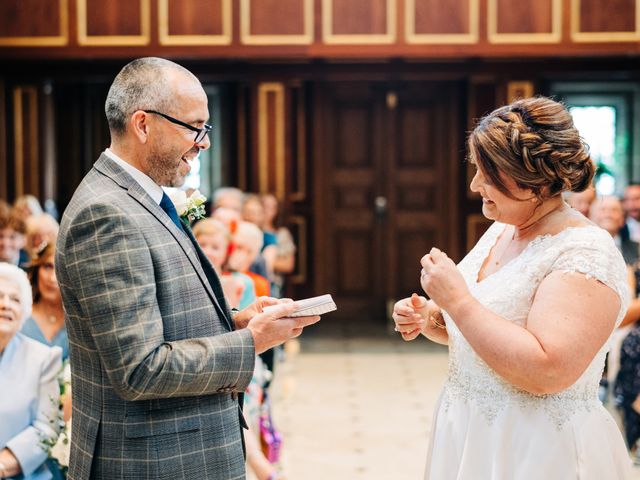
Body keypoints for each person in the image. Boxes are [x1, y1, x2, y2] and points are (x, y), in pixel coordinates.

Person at [55, 57, 319, 480]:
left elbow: (164, 323)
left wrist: (236, 323)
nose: (203, 142)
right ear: (143, 124)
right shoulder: (106, 214)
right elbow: (140, 369)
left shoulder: (139, 196)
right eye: (195, 126)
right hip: (153, 462)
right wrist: (250, 343)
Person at [393, 97, 632, 479]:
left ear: (532, 178)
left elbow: (548, 371)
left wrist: (457, 300)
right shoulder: (502, 230)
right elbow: (485, 331)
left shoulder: (585, 252)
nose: (475, 185)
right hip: (471, 433)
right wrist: (430, 319)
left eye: (488, 173)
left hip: (536, 448)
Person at [0, 262, 62, 480]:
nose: (5, 304)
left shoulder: (44, 358)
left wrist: (3, 465)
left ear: (24, 310)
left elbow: (46, 428)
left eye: (15, 299)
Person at [22, 242, 69, 361]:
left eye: (60, 270)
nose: (52, 278)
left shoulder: (77, 322)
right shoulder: (21, 315)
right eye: (47, 266)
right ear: (37, 270)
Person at [0, 200, 28, 268]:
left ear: (24, 240)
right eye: (0, 236)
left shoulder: (30, 267)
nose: (5, 243)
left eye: (12, 237)